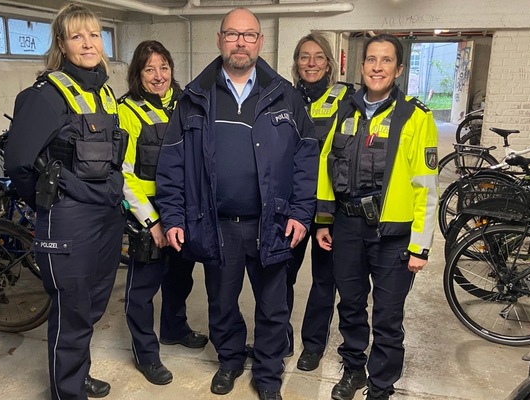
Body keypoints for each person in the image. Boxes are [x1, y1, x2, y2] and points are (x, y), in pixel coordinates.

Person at [155, 7, 319, 400]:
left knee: (273, 306)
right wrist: (173, 215)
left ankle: (267, 374)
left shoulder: (286, 95)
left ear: (260, 42)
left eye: (248, 35)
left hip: (272, 222)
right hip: (216, 222)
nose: (240, 42)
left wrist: (300, 212)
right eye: (232, 34)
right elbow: (173, 161)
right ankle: (229, 361)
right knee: (222, 302)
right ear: (219, 39)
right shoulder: (194, 97)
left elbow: (306, 159)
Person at [3, 4, 126, 399]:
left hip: (106, 214)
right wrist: (51, 203)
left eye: (94, 34)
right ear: (61, 43)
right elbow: (20, 164)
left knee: (91, 305)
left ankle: (76, 373)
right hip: (68, 217)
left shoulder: (104, 91)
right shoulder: (44, 95)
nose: (88, 43)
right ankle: (66, 391)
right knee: (72, 308)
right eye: (77, 36)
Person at [314, 34, 438, 400]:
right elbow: (326, 164)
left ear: (398, 69)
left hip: (393, 237)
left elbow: (426, 189)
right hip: (348, 227)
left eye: (386, 61)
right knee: (350, 306)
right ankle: (354, 370)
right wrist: (324, 218)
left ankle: (381, 387)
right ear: (362, 66)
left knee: (387, 317)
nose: (377, 67)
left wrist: (421, 246)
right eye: (371, 60)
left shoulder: (415, 117)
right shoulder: (345, 110)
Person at [118, 40, 208, 386]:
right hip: (149, 211)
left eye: (164, 67)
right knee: (142, 288)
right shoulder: (128, 110)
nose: (158, 76)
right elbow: (124, 172)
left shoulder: (185, 103)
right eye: (149, 69)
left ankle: (174, 328)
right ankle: (146, 354)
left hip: (184, 208)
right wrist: (150, 219)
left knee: (180, 277)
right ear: (138, 75)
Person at [285, 33, 354, 372]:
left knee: (324, 280)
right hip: (291, 204)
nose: (311, 64)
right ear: (296, 63)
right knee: (280, 275)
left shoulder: (347, 99)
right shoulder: (283, 97)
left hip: (331, 206)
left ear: (329, 62)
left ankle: (312, 346)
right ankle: (278, 338)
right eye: (304, 57)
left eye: (318, 57)